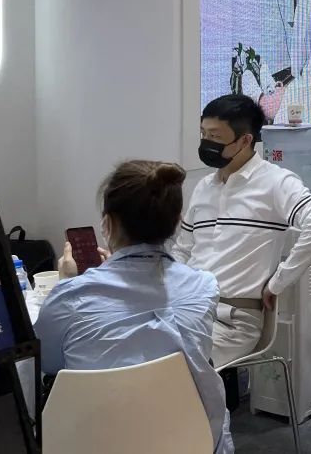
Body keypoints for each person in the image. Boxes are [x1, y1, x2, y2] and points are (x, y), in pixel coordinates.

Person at [36, 161, 233, 454]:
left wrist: (67, 282)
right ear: (177, 222)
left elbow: (47, 362)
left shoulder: (71, 296)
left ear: (108, 223)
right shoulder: (204, 287)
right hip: (192, 441)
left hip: (94, 444)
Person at [173, 95, 311, 368]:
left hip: (232, 320)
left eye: (215, 136)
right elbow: (182, 249)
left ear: (245, 140)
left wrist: (278, 282)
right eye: (203, 134)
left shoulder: (276, 182)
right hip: (187, 309)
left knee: (166, 368)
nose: (207, 142)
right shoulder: (204, 187)